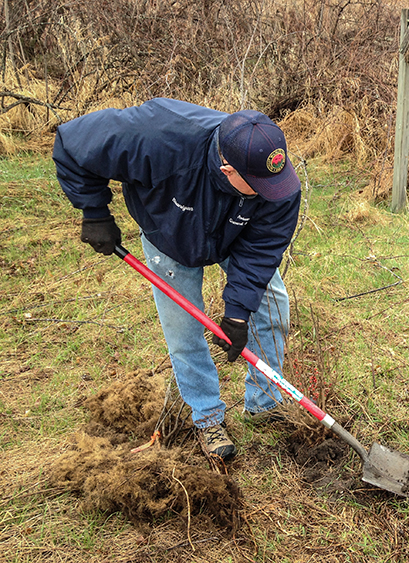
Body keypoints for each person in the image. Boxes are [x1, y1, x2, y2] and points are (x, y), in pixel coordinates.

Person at [53, 98, 302, 461]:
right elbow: (72, 144)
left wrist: (237, 313)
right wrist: (94, 213)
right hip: (168, 235)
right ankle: (208, 417)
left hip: (235, 235)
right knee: (182, 330)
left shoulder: (274, 177)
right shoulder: (156, 136)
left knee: (272, 303)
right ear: (227, 169)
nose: (273, 192)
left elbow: (262, 250)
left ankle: (266, 404)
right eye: (261, 186)